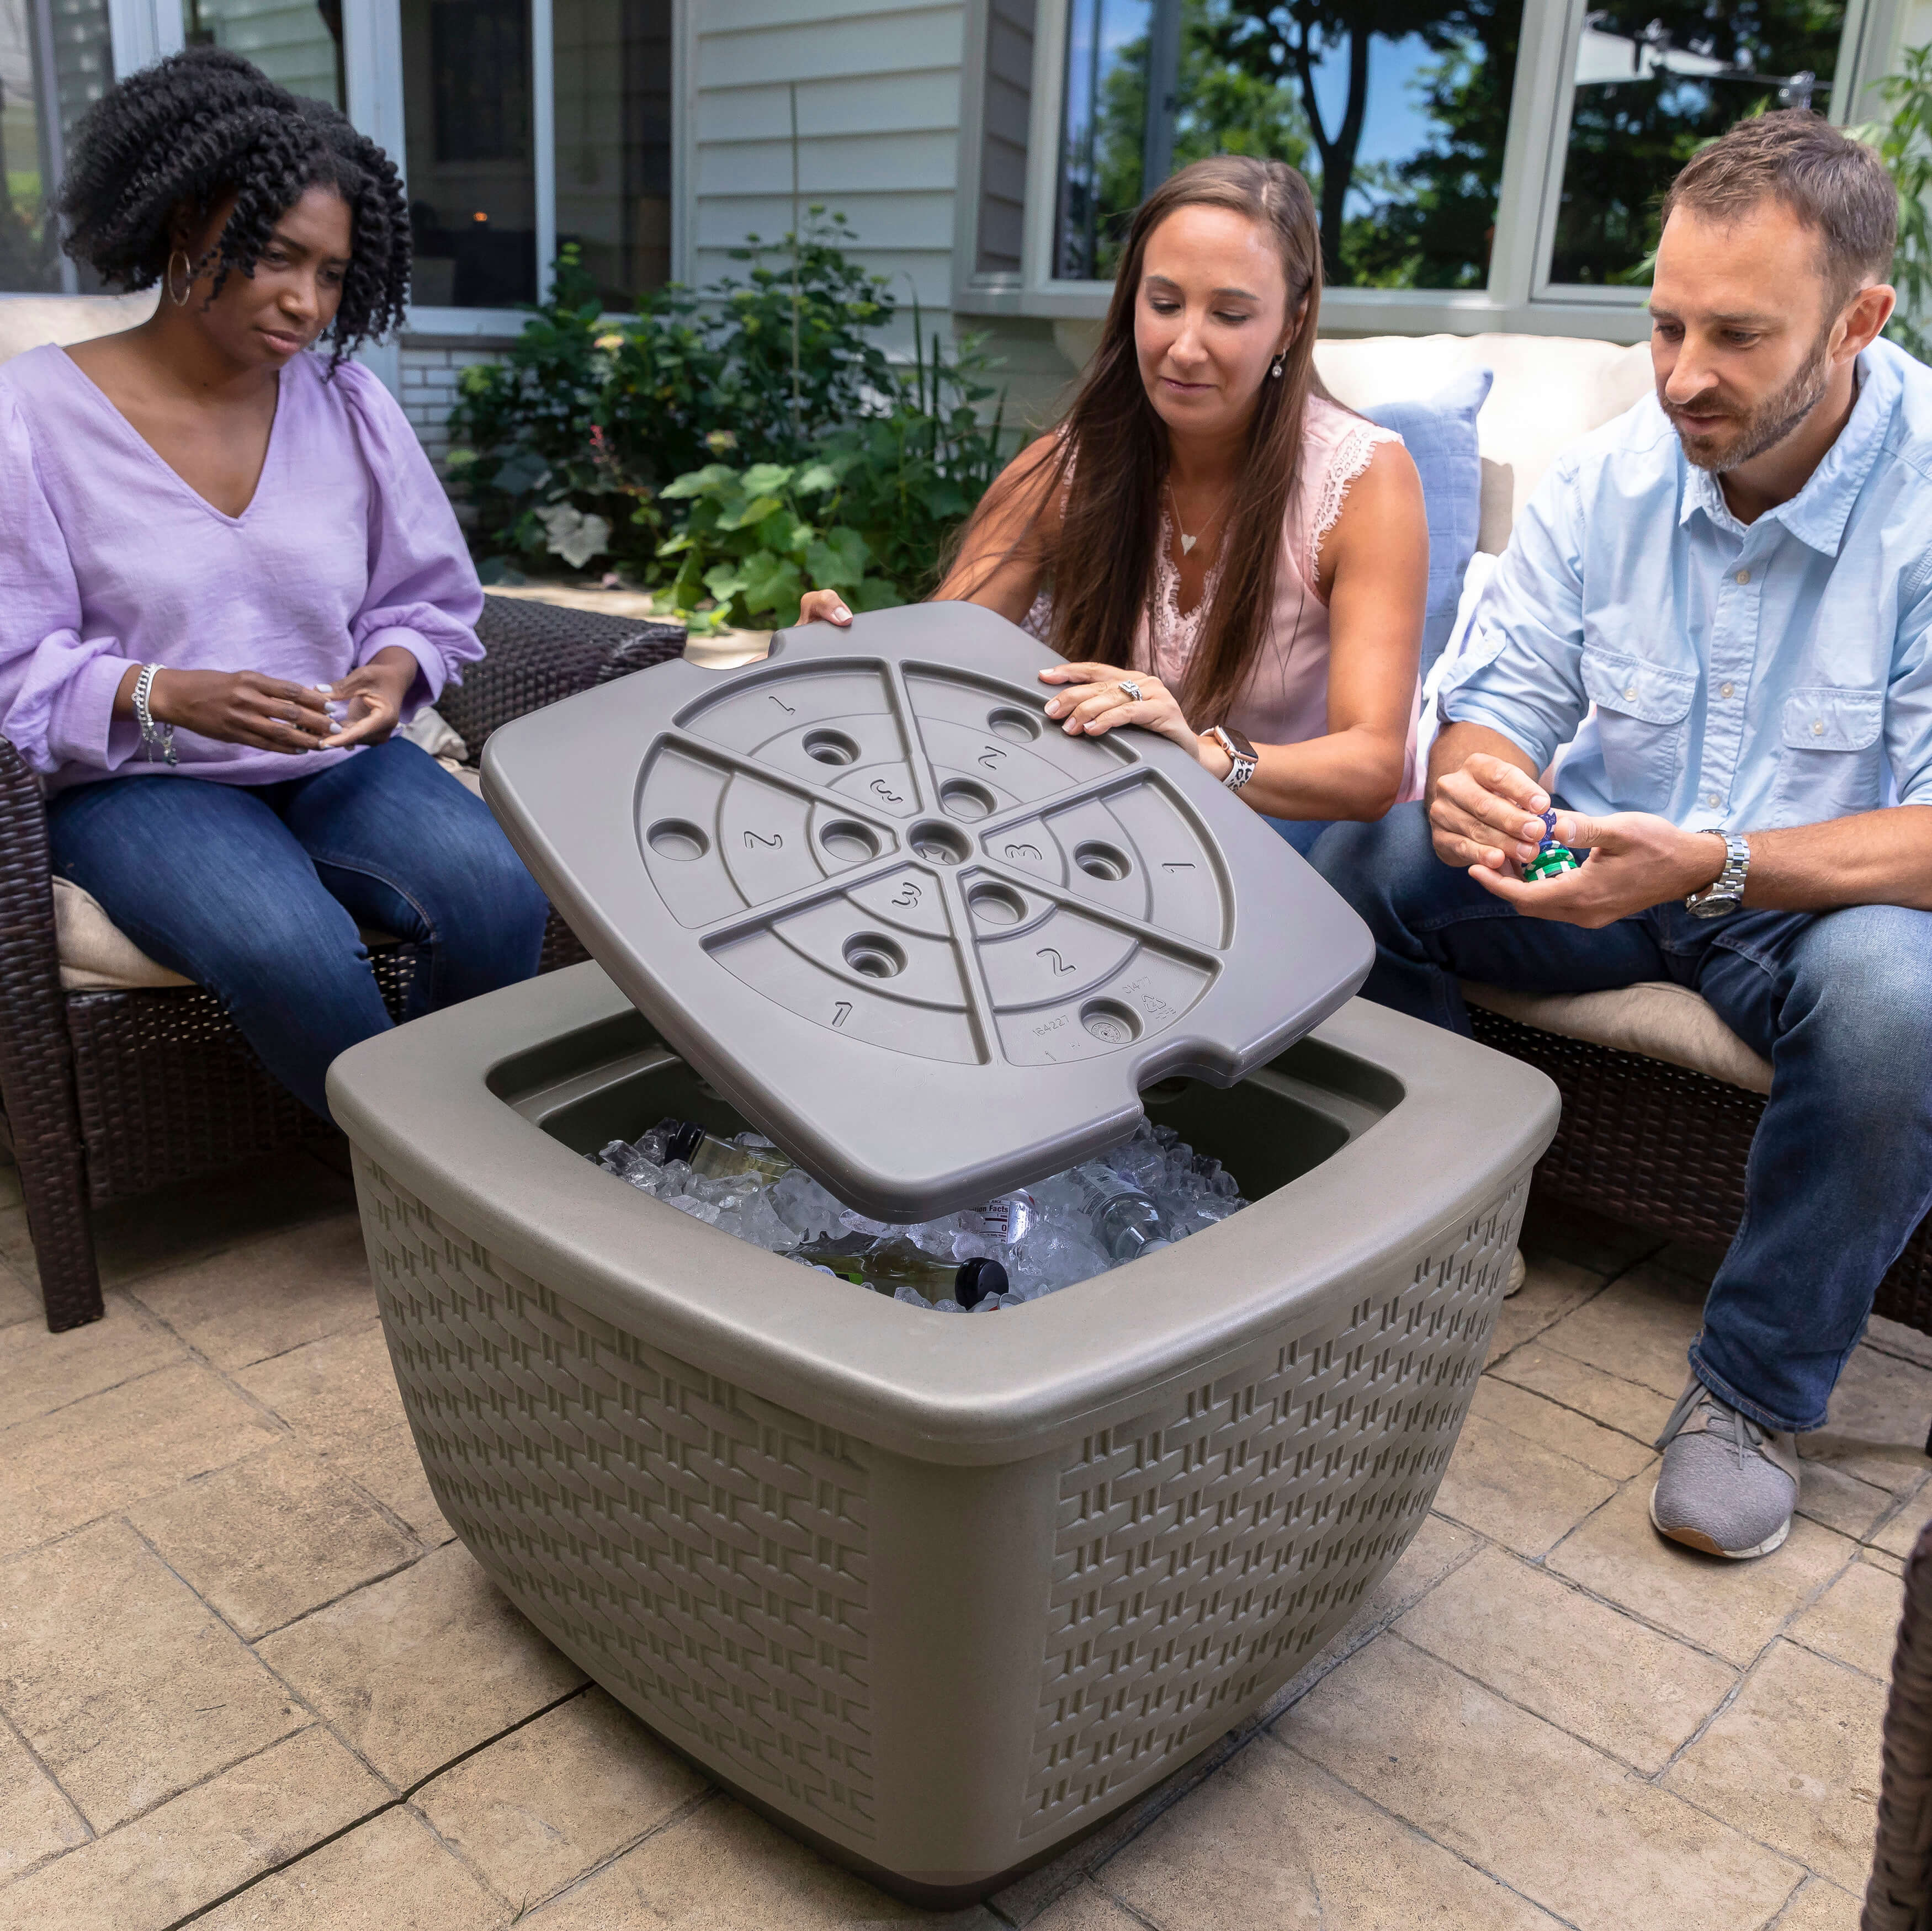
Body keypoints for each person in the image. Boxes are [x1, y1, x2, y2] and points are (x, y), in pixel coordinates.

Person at [1314, 111, 1932, 1561]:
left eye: (1734, 335)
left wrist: (1721, 865)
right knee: (1363, 866)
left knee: (1902, 1004)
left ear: (1856, 319)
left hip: (1821, 905)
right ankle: (1451, 1218)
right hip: (1606, 865)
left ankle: (1747, 1394)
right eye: (1661, 325)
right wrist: (1476, 777)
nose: (1681, 376)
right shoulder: (1613, 476)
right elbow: (1498, 700)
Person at [0, 47, 548, 1120]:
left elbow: (427, 598)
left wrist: (390, 677)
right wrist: (163, 690)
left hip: (329, 756)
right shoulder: (31, 416)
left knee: (496, 889)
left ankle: (459, 1161)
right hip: (137, 778)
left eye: (333, 274)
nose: (305, 302)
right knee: (285, 944)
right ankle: (435, 1178)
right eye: (275, 258)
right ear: (184, 223)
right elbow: (12, 664)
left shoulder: (344, 404)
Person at [795, 156, 1428, 854]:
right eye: (1163, 305)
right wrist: (843, 654)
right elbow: (940, 656)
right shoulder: (1064, 467)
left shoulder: (1365, 478)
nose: (1184, 347)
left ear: (1290, 323)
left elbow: (1373, 767)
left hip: (1298, 843)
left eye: (1228, 314)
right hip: (1117, 828)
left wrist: (1202, 754)